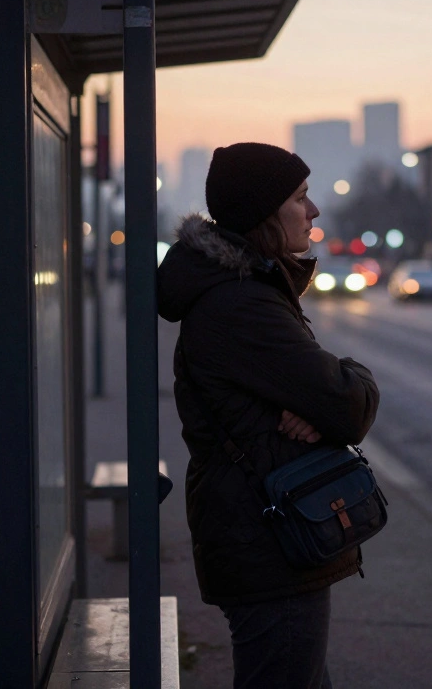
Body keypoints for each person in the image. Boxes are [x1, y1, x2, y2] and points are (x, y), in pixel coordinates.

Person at [157, 143, 380, 689]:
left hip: (264, 534)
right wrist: (337, 389)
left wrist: (317, 404)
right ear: (263, 212)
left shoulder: (241, 292)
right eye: (301, 198)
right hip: (268, 543)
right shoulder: (240, 304)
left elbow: (325, 399)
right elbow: (348, 403)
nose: (314, 211)